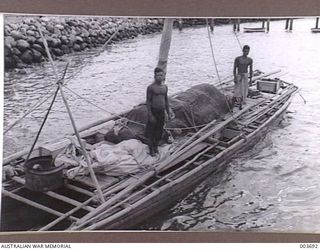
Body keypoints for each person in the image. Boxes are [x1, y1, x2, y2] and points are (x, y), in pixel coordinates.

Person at [145, 67, 174, 156]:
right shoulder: (151, 87)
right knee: (151, 132)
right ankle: (151, 150)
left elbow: (166, 100)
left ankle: (156, 147)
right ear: (154, 76)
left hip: (161, 112)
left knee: (159, 131)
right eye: (158, 75)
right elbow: (148, 101)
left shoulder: (165, 87)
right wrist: (150, 115)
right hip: (154, 111)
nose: (159, 77)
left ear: (164, 76)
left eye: (161, 75)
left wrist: (168, 112)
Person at [233, 45, 253, 110]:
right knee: (238, 90)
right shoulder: (238, 59)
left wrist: (250, 79)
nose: (246, 53)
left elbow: (251, 70)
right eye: (245, 51)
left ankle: (243, 102)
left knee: (244, 90)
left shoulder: (250, 60)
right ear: (243, 51)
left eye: (247, 51)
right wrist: (235, 77)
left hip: (245, 75)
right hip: (239, 75)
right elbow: (234, 68)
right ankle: (237, 101)